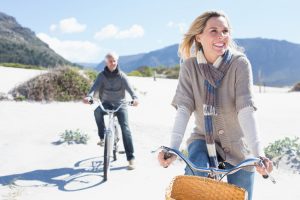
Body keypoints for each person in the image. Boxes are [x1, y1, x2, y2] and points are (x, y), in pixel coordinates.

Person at [157, 11, 273, 200]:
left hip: (237, 144)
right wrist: (172, 148)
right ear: (199, 37)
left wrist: (259, 154)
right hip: (202, 138)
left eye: (225, 31)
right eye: (213, 31)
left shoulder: (239, 64)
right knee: (195, 178)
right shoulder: (189, 67)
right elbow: (184, 109)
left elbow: (246, 109)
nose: (221, 36)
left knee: (242, 195)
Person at [83, 52, 138, 170]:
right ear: (106, 62)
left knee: (126, 129)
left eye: (114, 61)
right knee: (97, 112)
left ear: (117, 61)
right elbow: (94, 89)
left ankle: (131, 158)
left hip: (120, 105)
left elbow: (131, 90)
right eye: (110, 61)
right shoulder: (101, 76)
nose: (112, 63)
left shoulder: (122, 76)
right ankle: (102, 138)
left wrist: (135, 98)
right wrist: (89, 97)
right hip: (106, 104)